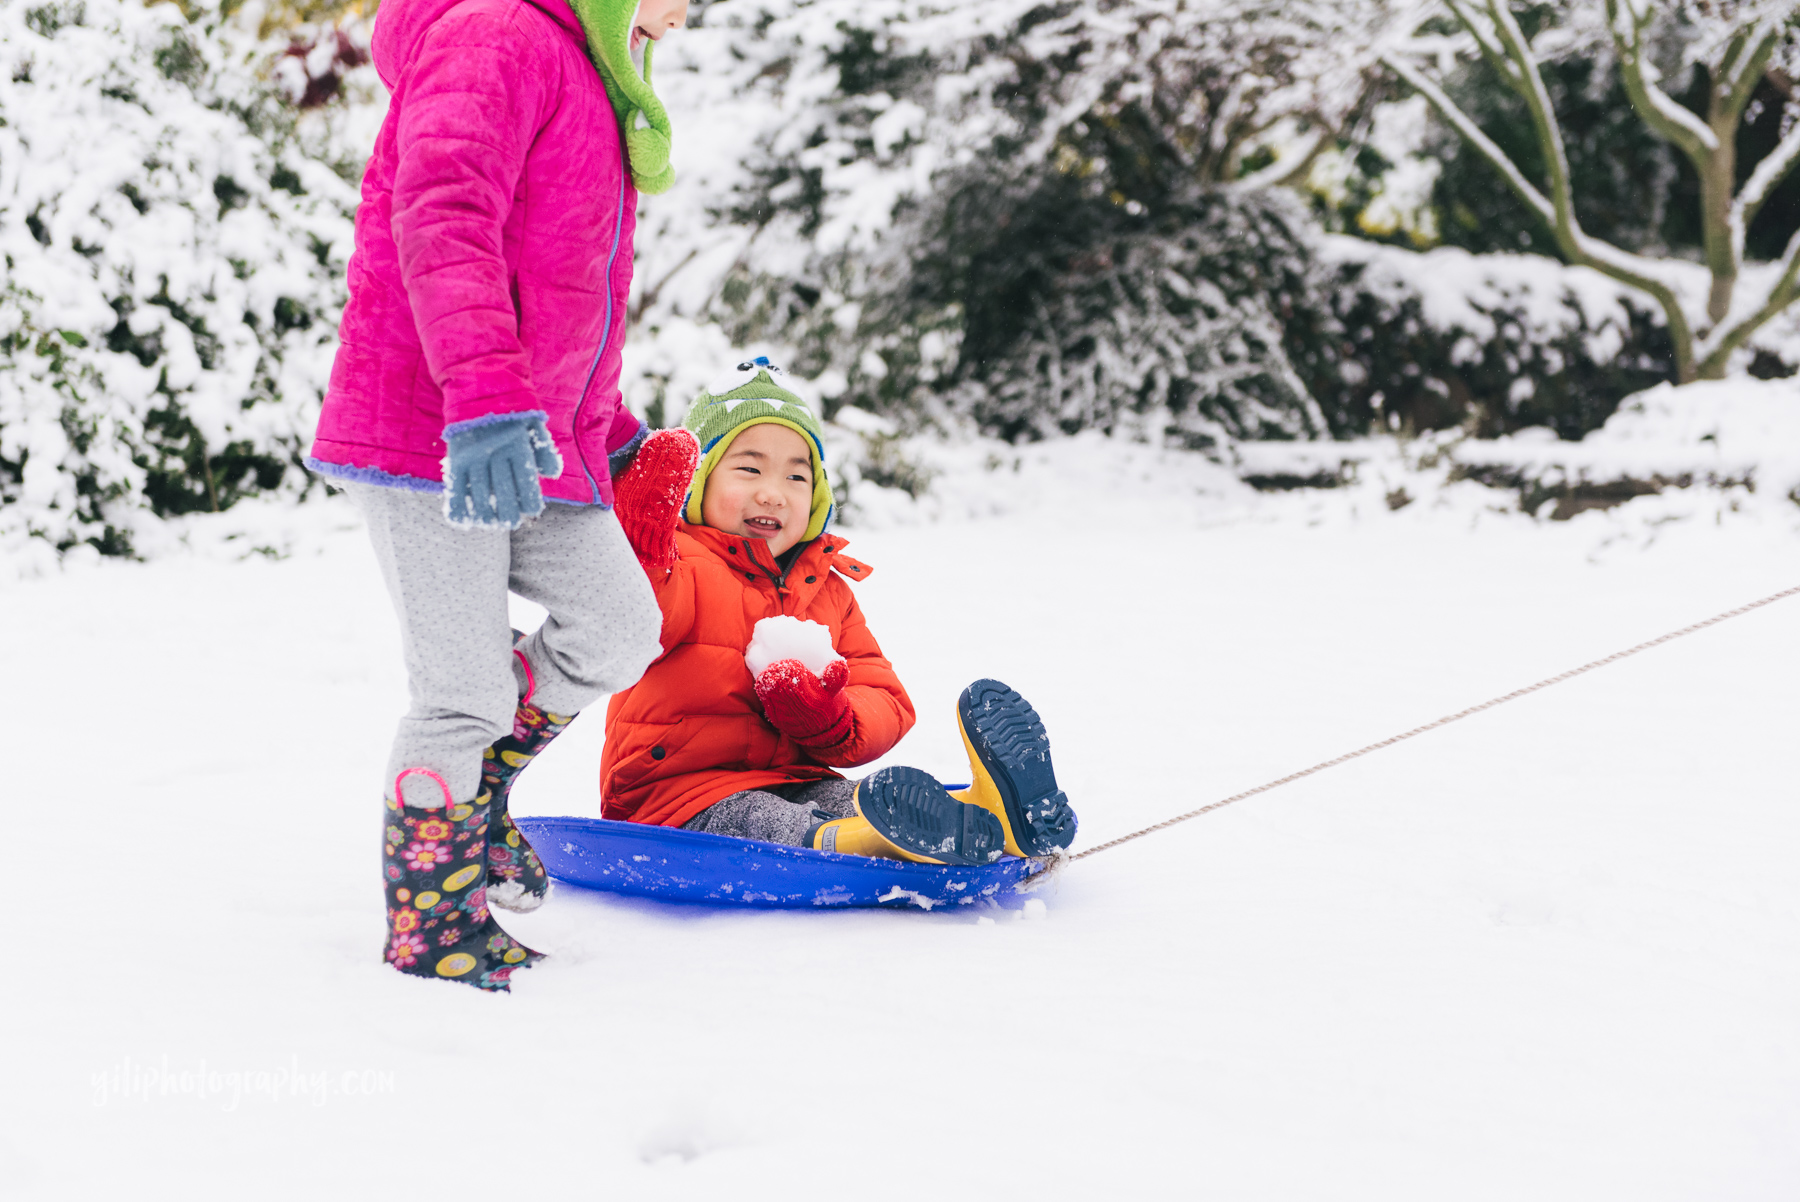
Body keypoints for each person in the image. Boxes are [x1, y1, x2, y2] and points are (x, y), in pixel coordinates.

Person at [306, 0, 690, 991]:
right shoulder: (499, 32)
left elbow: (562, 293)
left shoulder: (585, 77)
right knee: (461, 690)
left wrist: (610, 434)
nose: (685, 16)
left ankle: (477, 789)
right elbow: (444, 210)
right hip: (432, 426)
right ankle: (433, 926)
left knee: (617, 624)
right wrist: (480, 395)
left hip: (534, 435)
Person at [605, 359, 1079, 864]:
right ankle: (868, 843)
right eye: (749, 468)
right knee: (763, 820)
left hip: (797, 781)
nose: (774, 492)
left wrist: (829, 720)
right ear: (697, 482)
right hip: (675, 797)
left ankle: (987, 818)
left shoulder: (825, 588)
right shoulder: (679, 564)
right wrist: (643, 550)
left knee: (853, 800)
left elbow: (884, 695)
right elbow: (633, 624)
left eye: (796, 475)